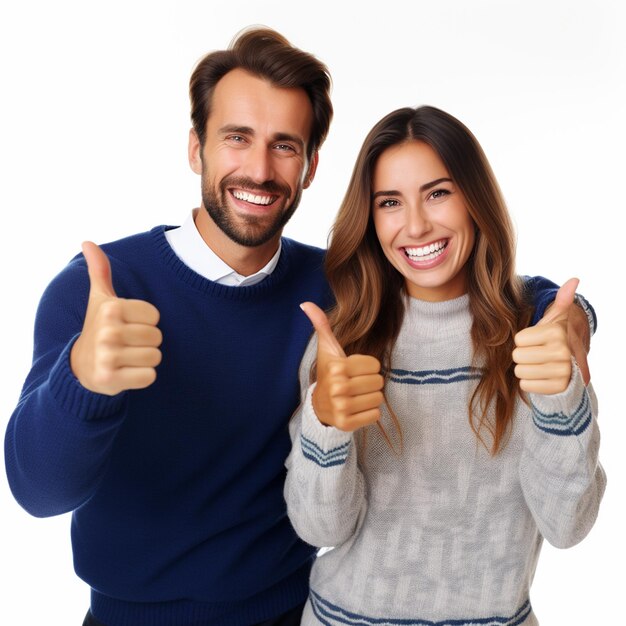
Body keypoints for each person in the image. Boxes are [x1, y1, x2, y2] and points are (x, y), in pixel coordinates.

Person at [4, 28, 592, 626]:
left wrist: (568, 316)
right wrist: (84, 380)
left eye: (285, 146)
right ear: (195, 148)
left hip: (294, 613)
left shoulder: (340, 288)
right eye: (237, 138)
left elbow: (459, 280)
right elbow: (38, 491)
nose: (259, 169)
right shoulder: (98, 290)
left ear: (310, 167)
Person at [285, 105, 605, 625]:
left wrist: (561, 399)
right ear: (369, 218)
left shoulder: (537, 337)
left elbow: (568, 524)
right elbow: (321, 529)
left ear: (475, 198)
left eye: (438, 192)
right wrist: (326, 425)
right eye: (390, 202)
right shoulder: (345, 341)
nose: (415, 225)